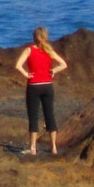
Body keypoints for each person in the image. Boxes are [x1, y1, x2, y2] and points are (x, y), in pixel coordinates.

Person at [14, 28, 68, 156]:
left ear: (34, 37)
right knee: (50, 115)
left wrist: (26, 74)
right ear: (45, 37)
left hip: (34, 86)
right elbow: (63, 64)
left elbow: (18, 65)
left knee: (33, 117)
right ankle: (54, 147)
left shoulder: (29, 50)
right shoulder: (49, 50)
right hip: (47, 86)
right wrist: (53, 71)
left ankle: (33, 148)